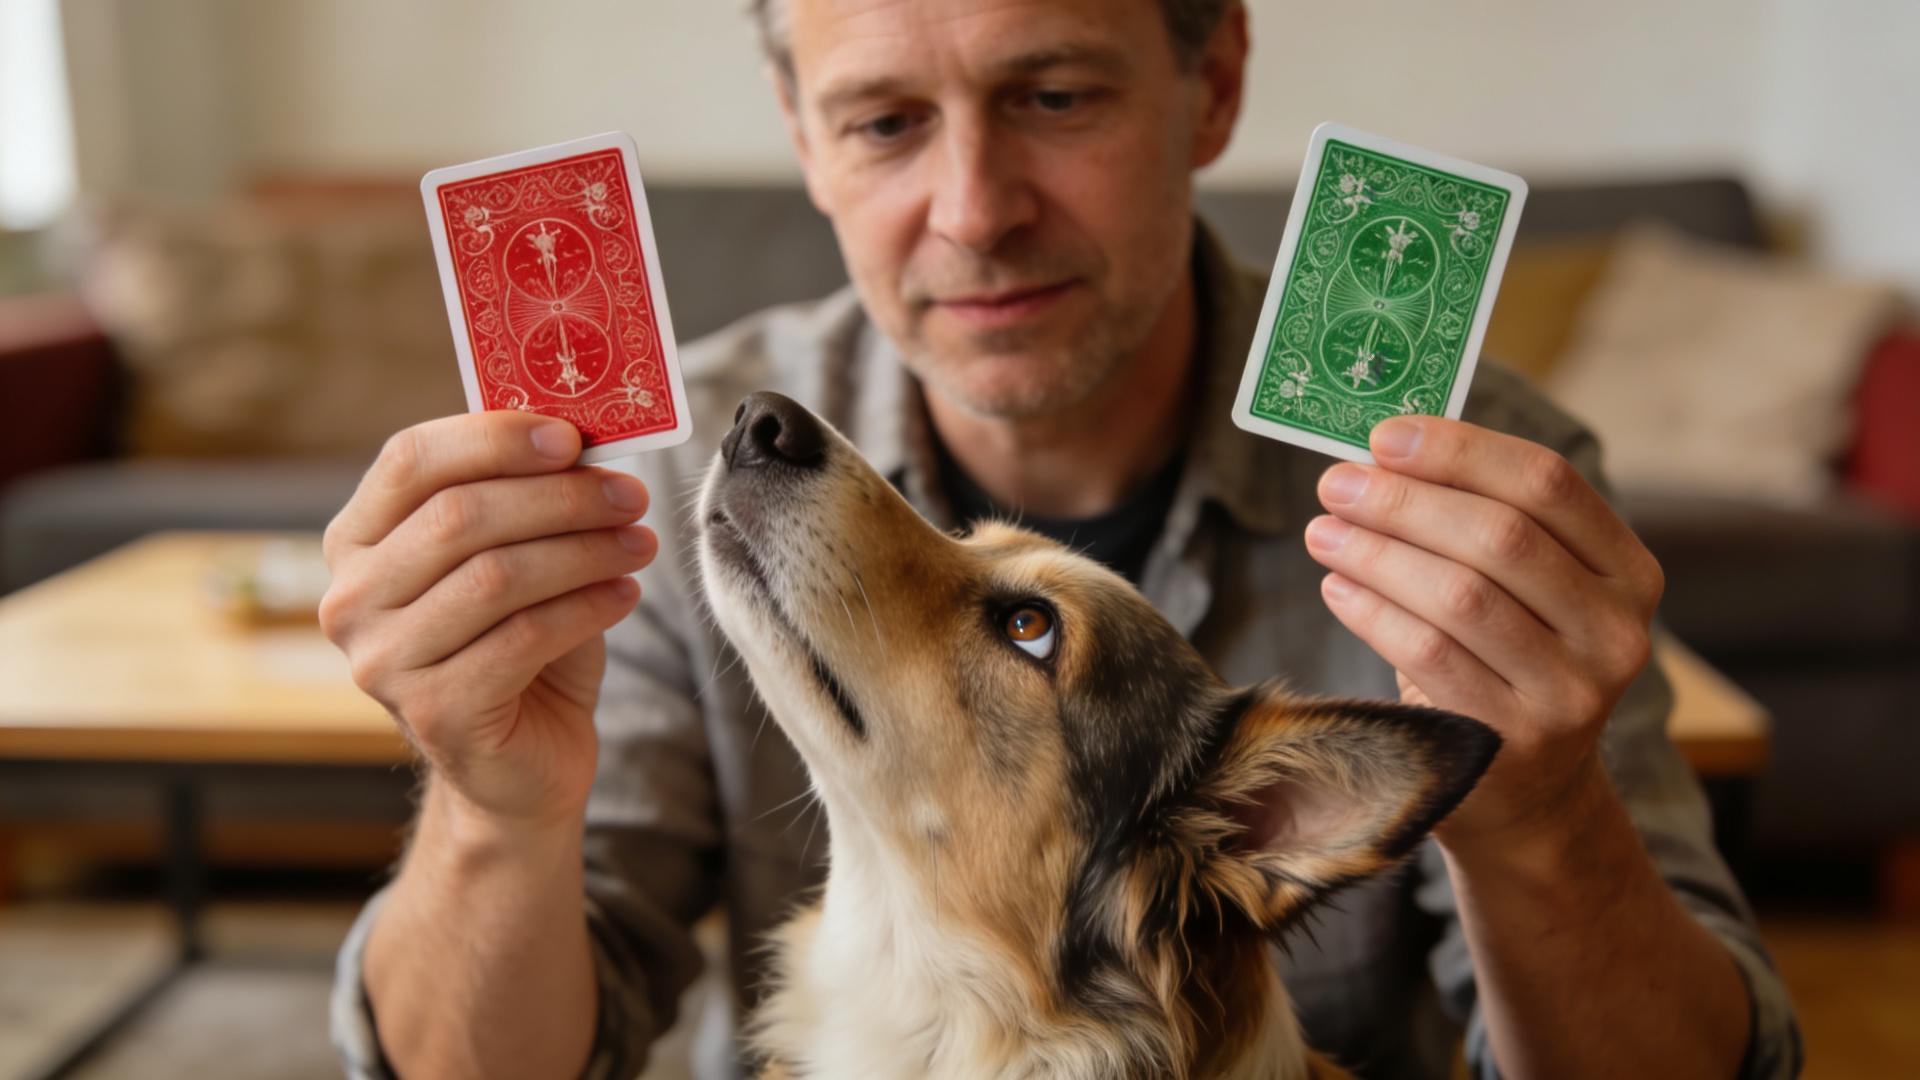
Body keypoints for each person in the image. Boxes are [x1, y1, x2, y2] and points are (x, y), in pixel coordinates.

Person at [322, 1, 1802, 1077]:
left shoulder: (1469, 480)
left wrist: (1544, 824)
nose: (974, 212)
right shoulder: (660, 472)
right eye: (887, 120)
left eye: (1054, 96)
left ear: (1210, 82)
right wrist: (493, 806)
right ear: (804, 138)